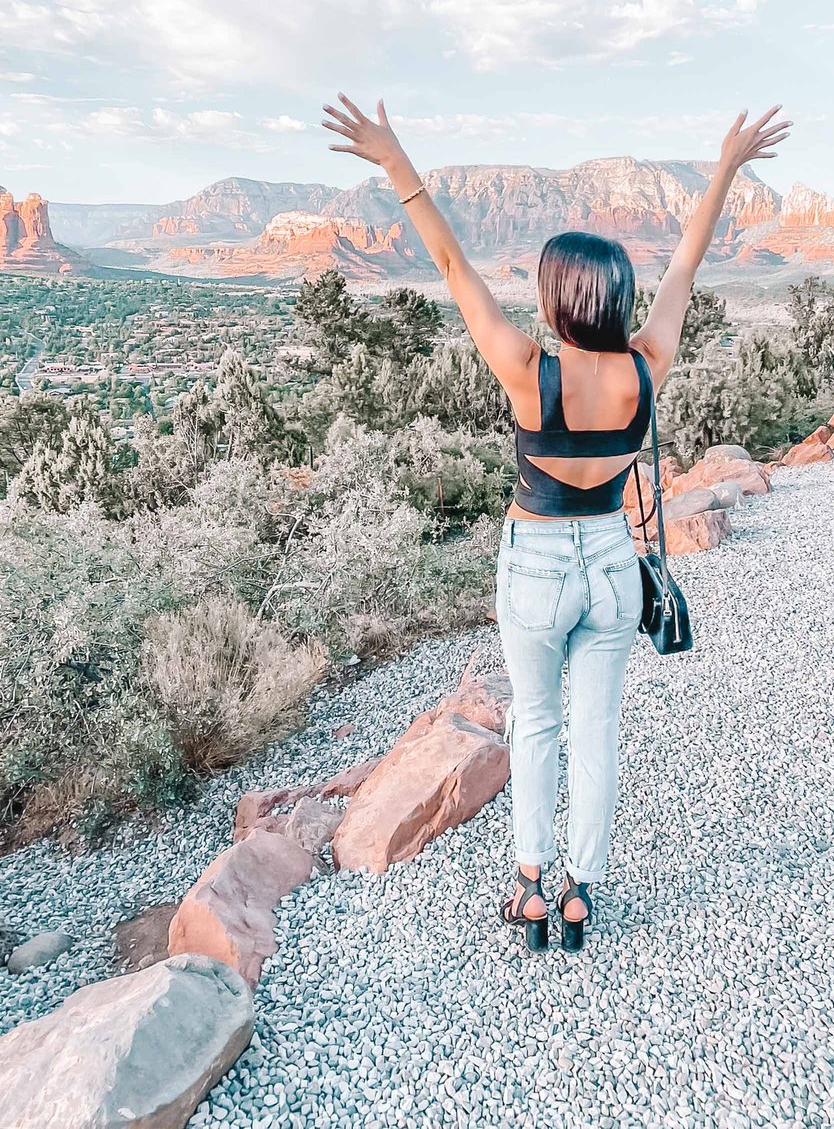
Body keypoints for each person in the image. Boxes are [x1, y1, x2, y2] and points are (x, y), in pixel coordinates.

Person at [322, 95, 792, 951]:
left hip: (537, 568)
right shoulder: (647, 367)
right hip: (613, 567)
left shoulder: (525, 370)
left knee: (535, 726)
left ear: (555, 299)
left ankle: (532, 887)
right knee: (597, 735)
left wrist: (396, 164)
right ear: (616, 298)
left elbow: (454, 270)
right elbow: (687, 267)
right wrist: (725, 168)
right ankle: (583, 893)